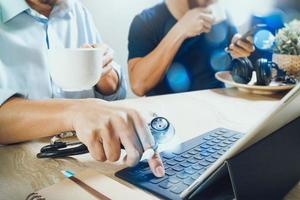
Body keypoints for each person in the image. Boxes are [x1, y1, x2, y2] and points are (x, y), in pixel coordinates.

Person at [0, 0, 164, 177]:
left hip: (86, 162)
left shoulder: (77, 10)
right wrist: (78, 111)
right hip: (18, 168)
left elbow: (112, 98)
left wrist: (104, 73)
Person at [128, 0, 255, 96]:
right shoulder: (146, 21)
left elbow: (232, 66)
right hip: (167, 117)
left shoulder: (220, 14)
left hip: (215, 110)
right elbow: (139, 86)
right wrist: (180, 29)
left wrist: (239, 53)